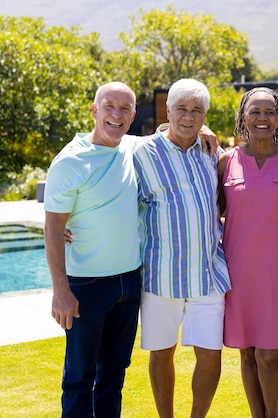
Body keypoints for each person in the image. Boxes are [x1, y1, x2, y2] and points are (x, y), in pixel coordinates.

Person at [133, 78, 231, 418]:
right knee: (161, 353)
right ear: (168, 110)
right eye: (181, 109)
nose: (188, 117)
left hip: (208, 274)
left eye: (197, 111)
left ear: (204, 115)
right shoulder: (140, 153)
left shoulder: (212, 152)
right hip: (161, 276)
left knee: (210, 355)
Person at [44, 81, 142, 417]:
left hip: (129, 282)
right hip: (86, 285)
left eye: (124, 108)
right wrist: (61, 292)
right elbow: (54, 227)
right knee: (79, 378)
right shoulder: (70, 162)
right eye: (109, 106)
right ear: (94, 110)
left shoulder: (131, 148)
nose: (116, 114)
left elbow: (171, 129)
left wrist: (202, 127)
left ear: (132, 115)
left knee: (114, 373)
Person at [218, 87, 278, 418]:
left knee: (271, 355)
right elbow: (211, 216)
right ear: (243, 117)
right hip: (237, 274)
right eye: (255, 111)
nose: (262, 118)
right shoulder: (225, 162)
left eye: (269, 112)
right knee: (246, 353)